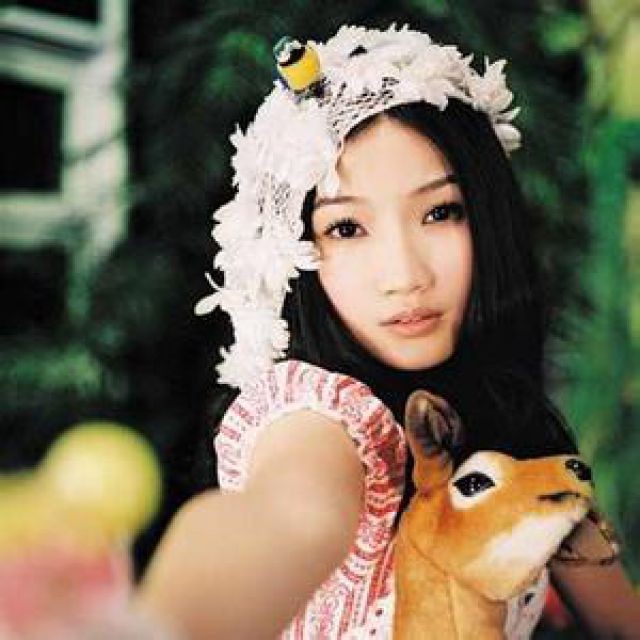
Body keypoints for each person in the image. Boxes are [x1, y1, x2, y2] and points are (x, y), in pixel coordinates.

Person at [134, 24, 640, 639]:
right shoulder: (318, 420)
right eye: (346, 228)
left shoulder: (512, 421)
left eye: (441, 212)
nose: (405, 276)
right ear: (292, 255)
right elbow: (290, 515)